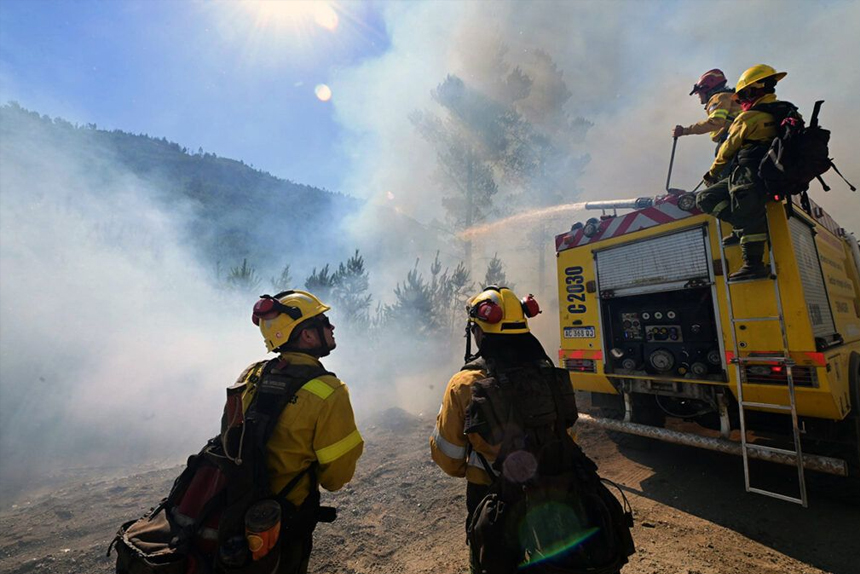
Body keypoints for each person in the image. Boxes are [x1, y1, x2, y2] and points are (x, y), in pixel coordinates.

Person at [430, 286, 632, 573]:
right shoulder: (550, 374)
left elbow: (449, 458)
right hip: (560, 483)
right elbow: (567, 435)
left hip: (492, 495)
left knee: (493, 561)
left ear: (478, 332)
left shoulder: (464, 384)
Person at [241, 289, 364, 573]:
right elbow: (336, 477)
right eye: (323, 321)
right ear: (307, 335)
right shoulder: (329, 392)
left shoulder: (251, 375)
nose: (331, 327)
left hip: (237, 501)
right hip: (288, 517)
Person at [696, 64, 788, 281]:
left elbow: (728, 147)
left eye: (743, 94)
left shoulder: (749, 117)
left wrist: (711, 173)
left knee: (726, 204)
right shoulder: (787, 110)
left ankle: (753, 263)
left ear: (751, 91)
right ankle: (740, 227)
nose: (740, 99)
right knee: (742, 207)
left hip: (750, 171)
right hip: (777, 170)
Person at [673, 69, 742, 154]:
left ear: (705, 89)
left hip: (730, 137)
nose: (699, 97)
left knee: (721, 164)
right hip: (740, 134)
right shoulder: (731, 96)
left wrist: (685, 130)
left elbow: (716, 122)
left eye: (699, 93)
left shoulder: (718, 98)